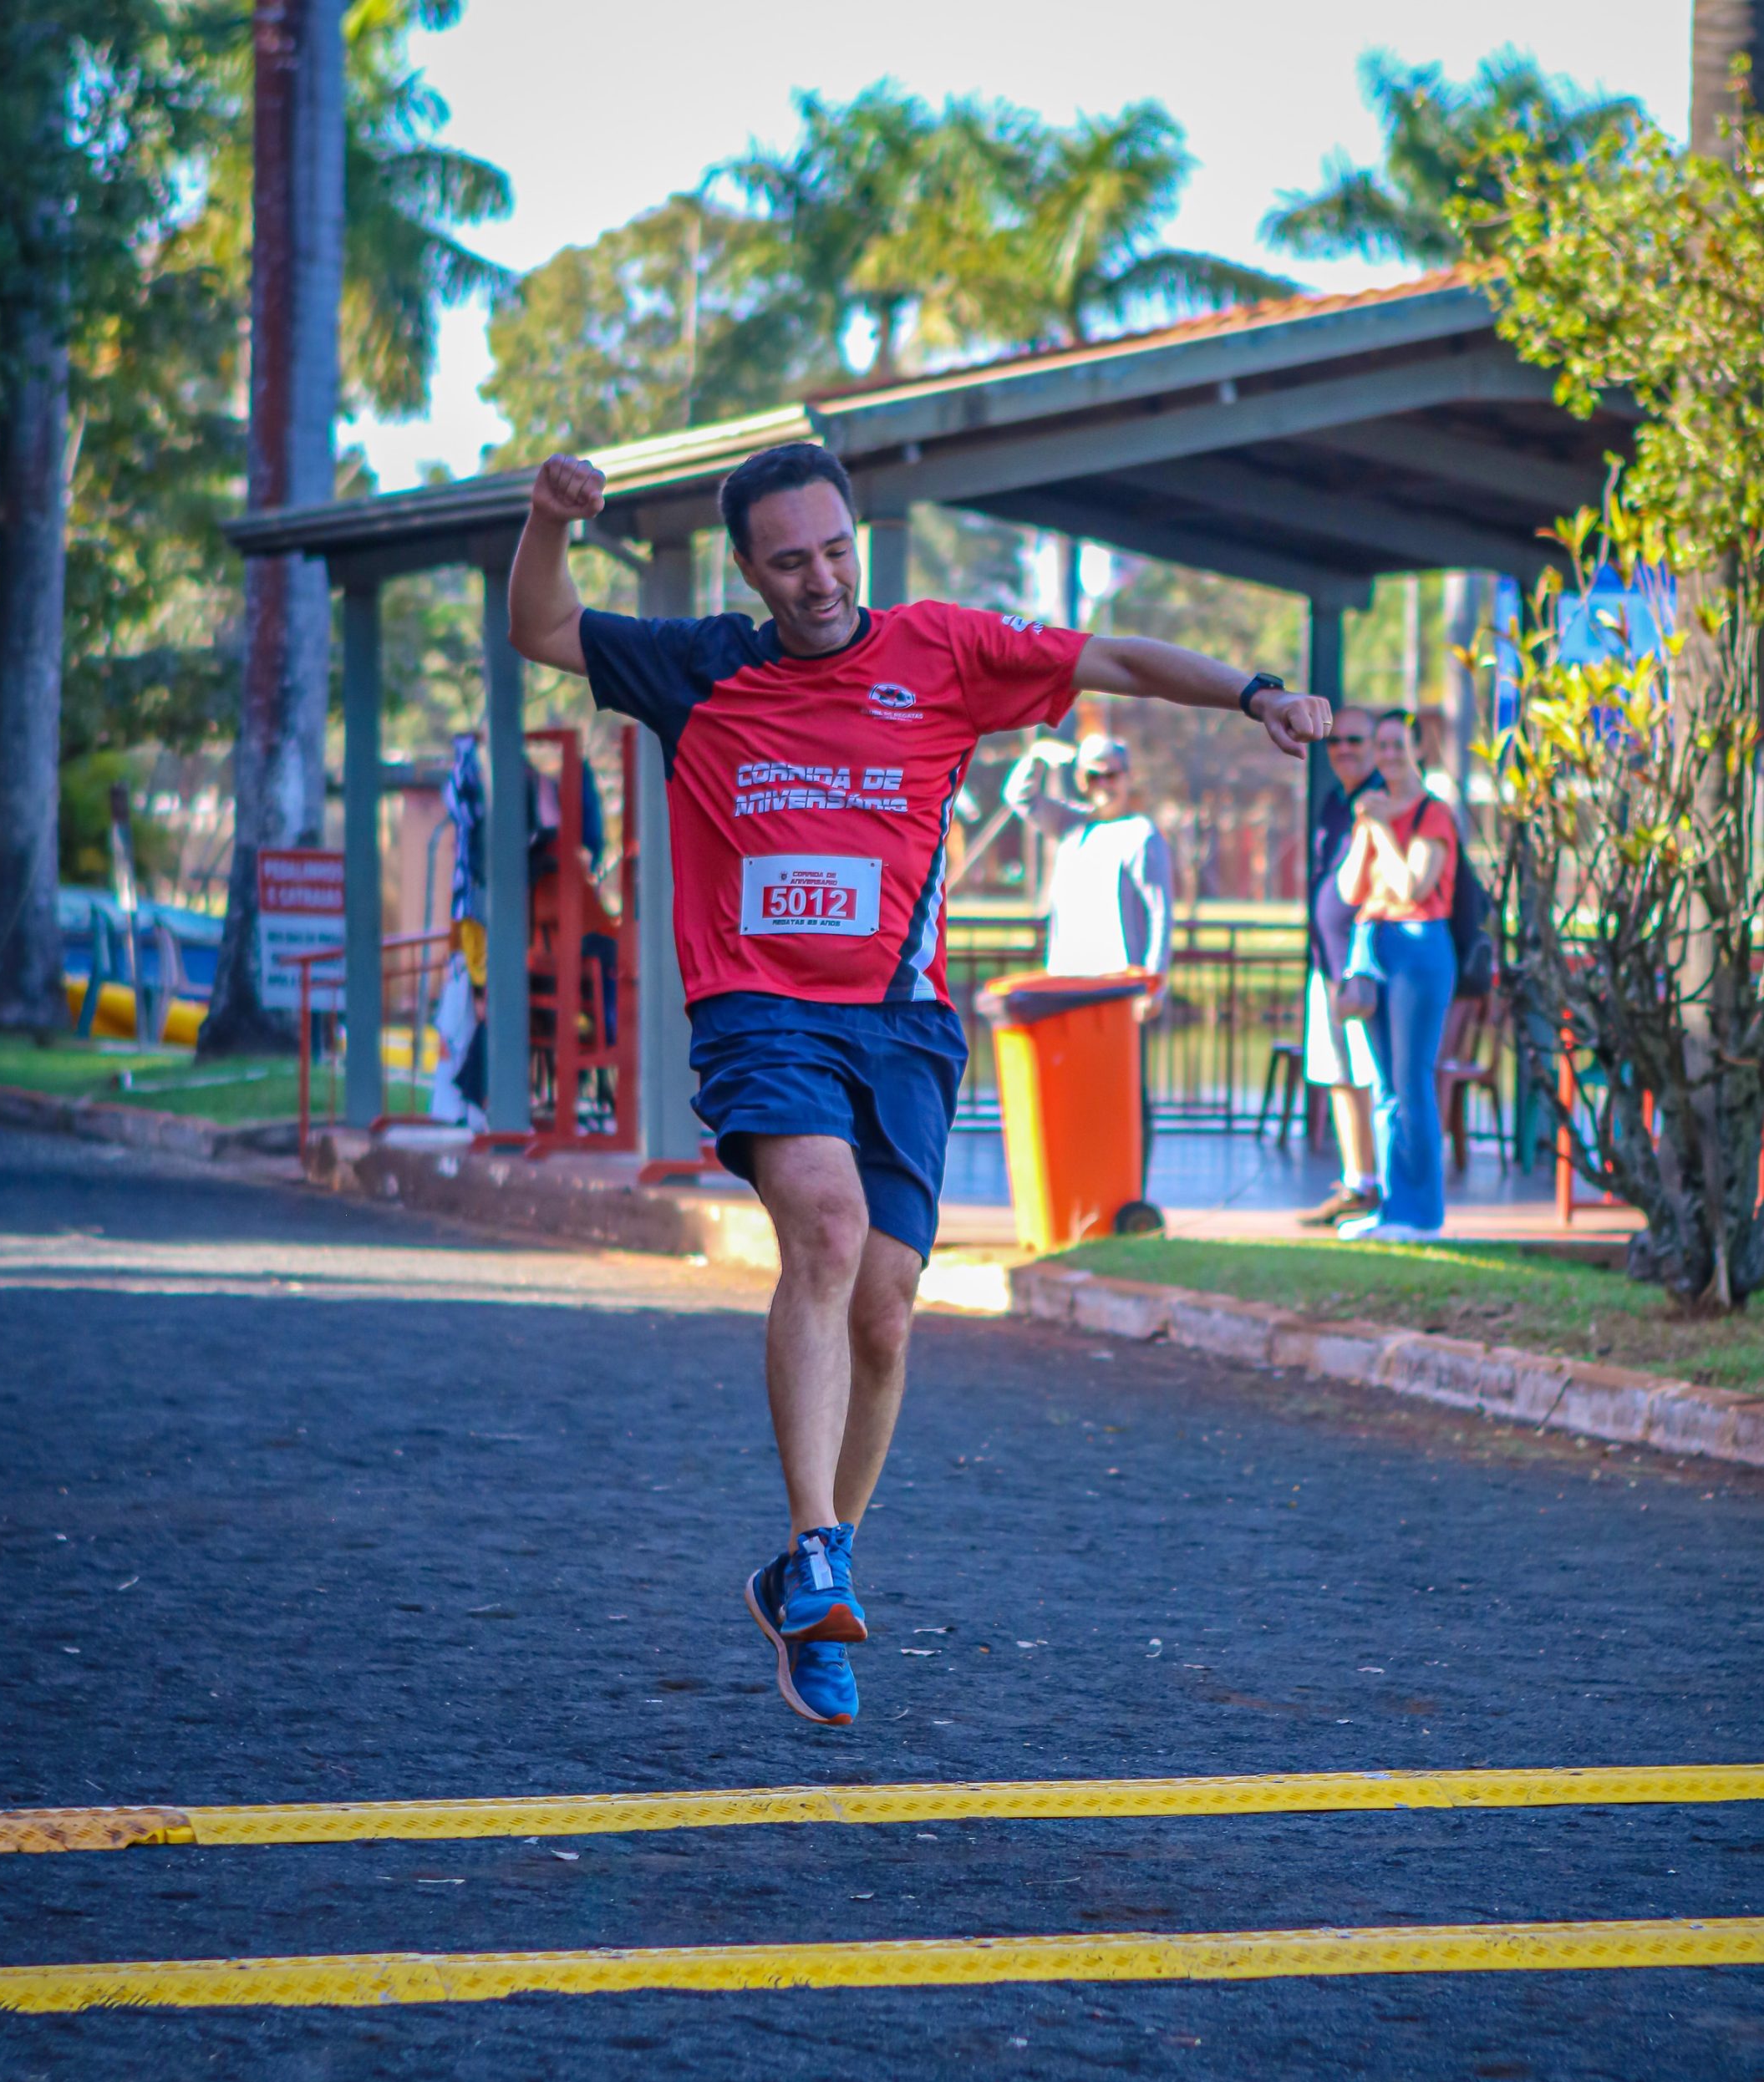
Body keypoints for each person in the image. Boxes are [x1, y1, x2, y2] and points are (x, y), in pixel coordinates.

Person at [507, 440, 1331, 1728]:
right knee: (825, 1228)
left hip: (899, 1023)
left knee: (887, 1310)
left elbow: (1107, 658)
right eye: (790, 560)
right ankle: (818, 1552)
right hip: (759, 1010)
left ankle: (804, 1573)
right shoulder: (702, 666)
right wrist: (547, 520)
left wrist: (1254, 692)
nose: (821, 578)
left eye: (836, 550)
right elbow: (543, 625)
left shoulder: (942, 652)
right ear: (748, 569)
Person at [1003, 730, 1173, 1196]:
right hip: (1067, 987)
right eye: (1094, 775)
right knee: (1074, 1091)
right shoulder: (1072, 826)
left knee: (1125, 1096)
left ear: (1128, 777)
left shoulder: (1141, 835)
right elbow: (1020, 796)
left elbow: (1161, 914)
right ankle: (1084, 1183)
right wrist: (1040, 756)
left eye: (1112, 775)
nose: (1104, 784)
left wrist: (1153, 985)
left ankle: (1129, 1194)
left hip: (1118, 989)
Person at [1333, 710, 1458, 1244]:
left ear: (1416, 749)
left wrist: (1382, 826)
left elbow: (1412, 885)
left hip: (1419, 947)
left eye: (1396, 746)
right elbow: (1347, 890)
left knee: (1412, 1082)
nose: (1387, 756)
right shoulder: (1373, 812)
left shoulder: (1433, 815)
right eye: (1380, 747)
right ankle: (1392, 1208)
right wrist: (1367, 826)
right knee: (1384, 1086)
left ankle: (1422, 1214)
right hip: (1376, 945)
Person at [1297, 706, 1383, 1227]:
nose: (1344, 750)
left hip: (1364, 965)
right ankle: (1358, 1183)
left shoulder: (1382, 803)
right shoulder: (1336, 802)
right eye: (1335, 742)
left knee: (1372, 1076)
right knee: (1339, 1076)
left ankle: (1386, 1185)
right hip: (1326, 963)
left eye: (1355, 741)